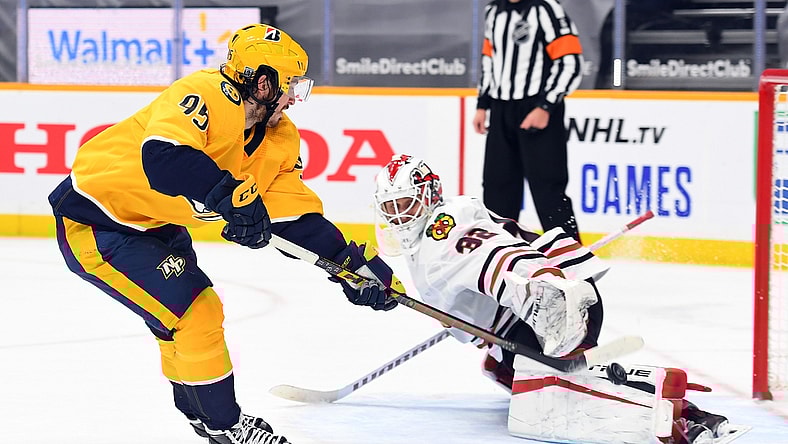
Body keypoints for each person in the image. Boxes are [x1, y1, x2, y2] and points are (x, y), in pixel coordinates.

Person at [48, 23, 396, 444]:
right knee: (197, 313)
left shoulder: (281, 139)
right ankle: (225, 426)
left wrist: (350, 265)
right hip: (99, 221)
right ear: (263, 83)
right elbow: (163, 158)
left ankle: (201, 415)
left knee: (177, 321)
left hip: (157, 222)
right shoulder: (206, 93)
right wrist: (228, 197)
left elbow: (295, 218)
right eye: (290, 87)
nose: (293, 100)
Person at [372, 154, 732, 444]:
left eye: (404, 203)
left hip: (558, 305)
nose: (397, 215)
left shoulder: (443, 232)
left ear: (429, 195)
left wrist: (543, 287)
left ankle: (689, 418)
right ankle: (663, 406)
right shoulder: (443, 224)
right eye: (389, 207)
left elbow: (498, 259)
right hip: (525, 323)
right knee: (508, 374)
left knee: (567, 390)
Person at [472, 0, 584, 242]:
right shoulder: (493, 10)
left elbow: (571, 62)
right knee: (497, 190)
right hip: (501, 111)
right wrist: (483, 104)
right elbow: (489, 59)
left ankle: (574, 267)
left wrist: (546, 106)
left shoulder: (546, 8)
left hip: (537, 108)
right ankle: (500, 261)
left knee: (549, 193)